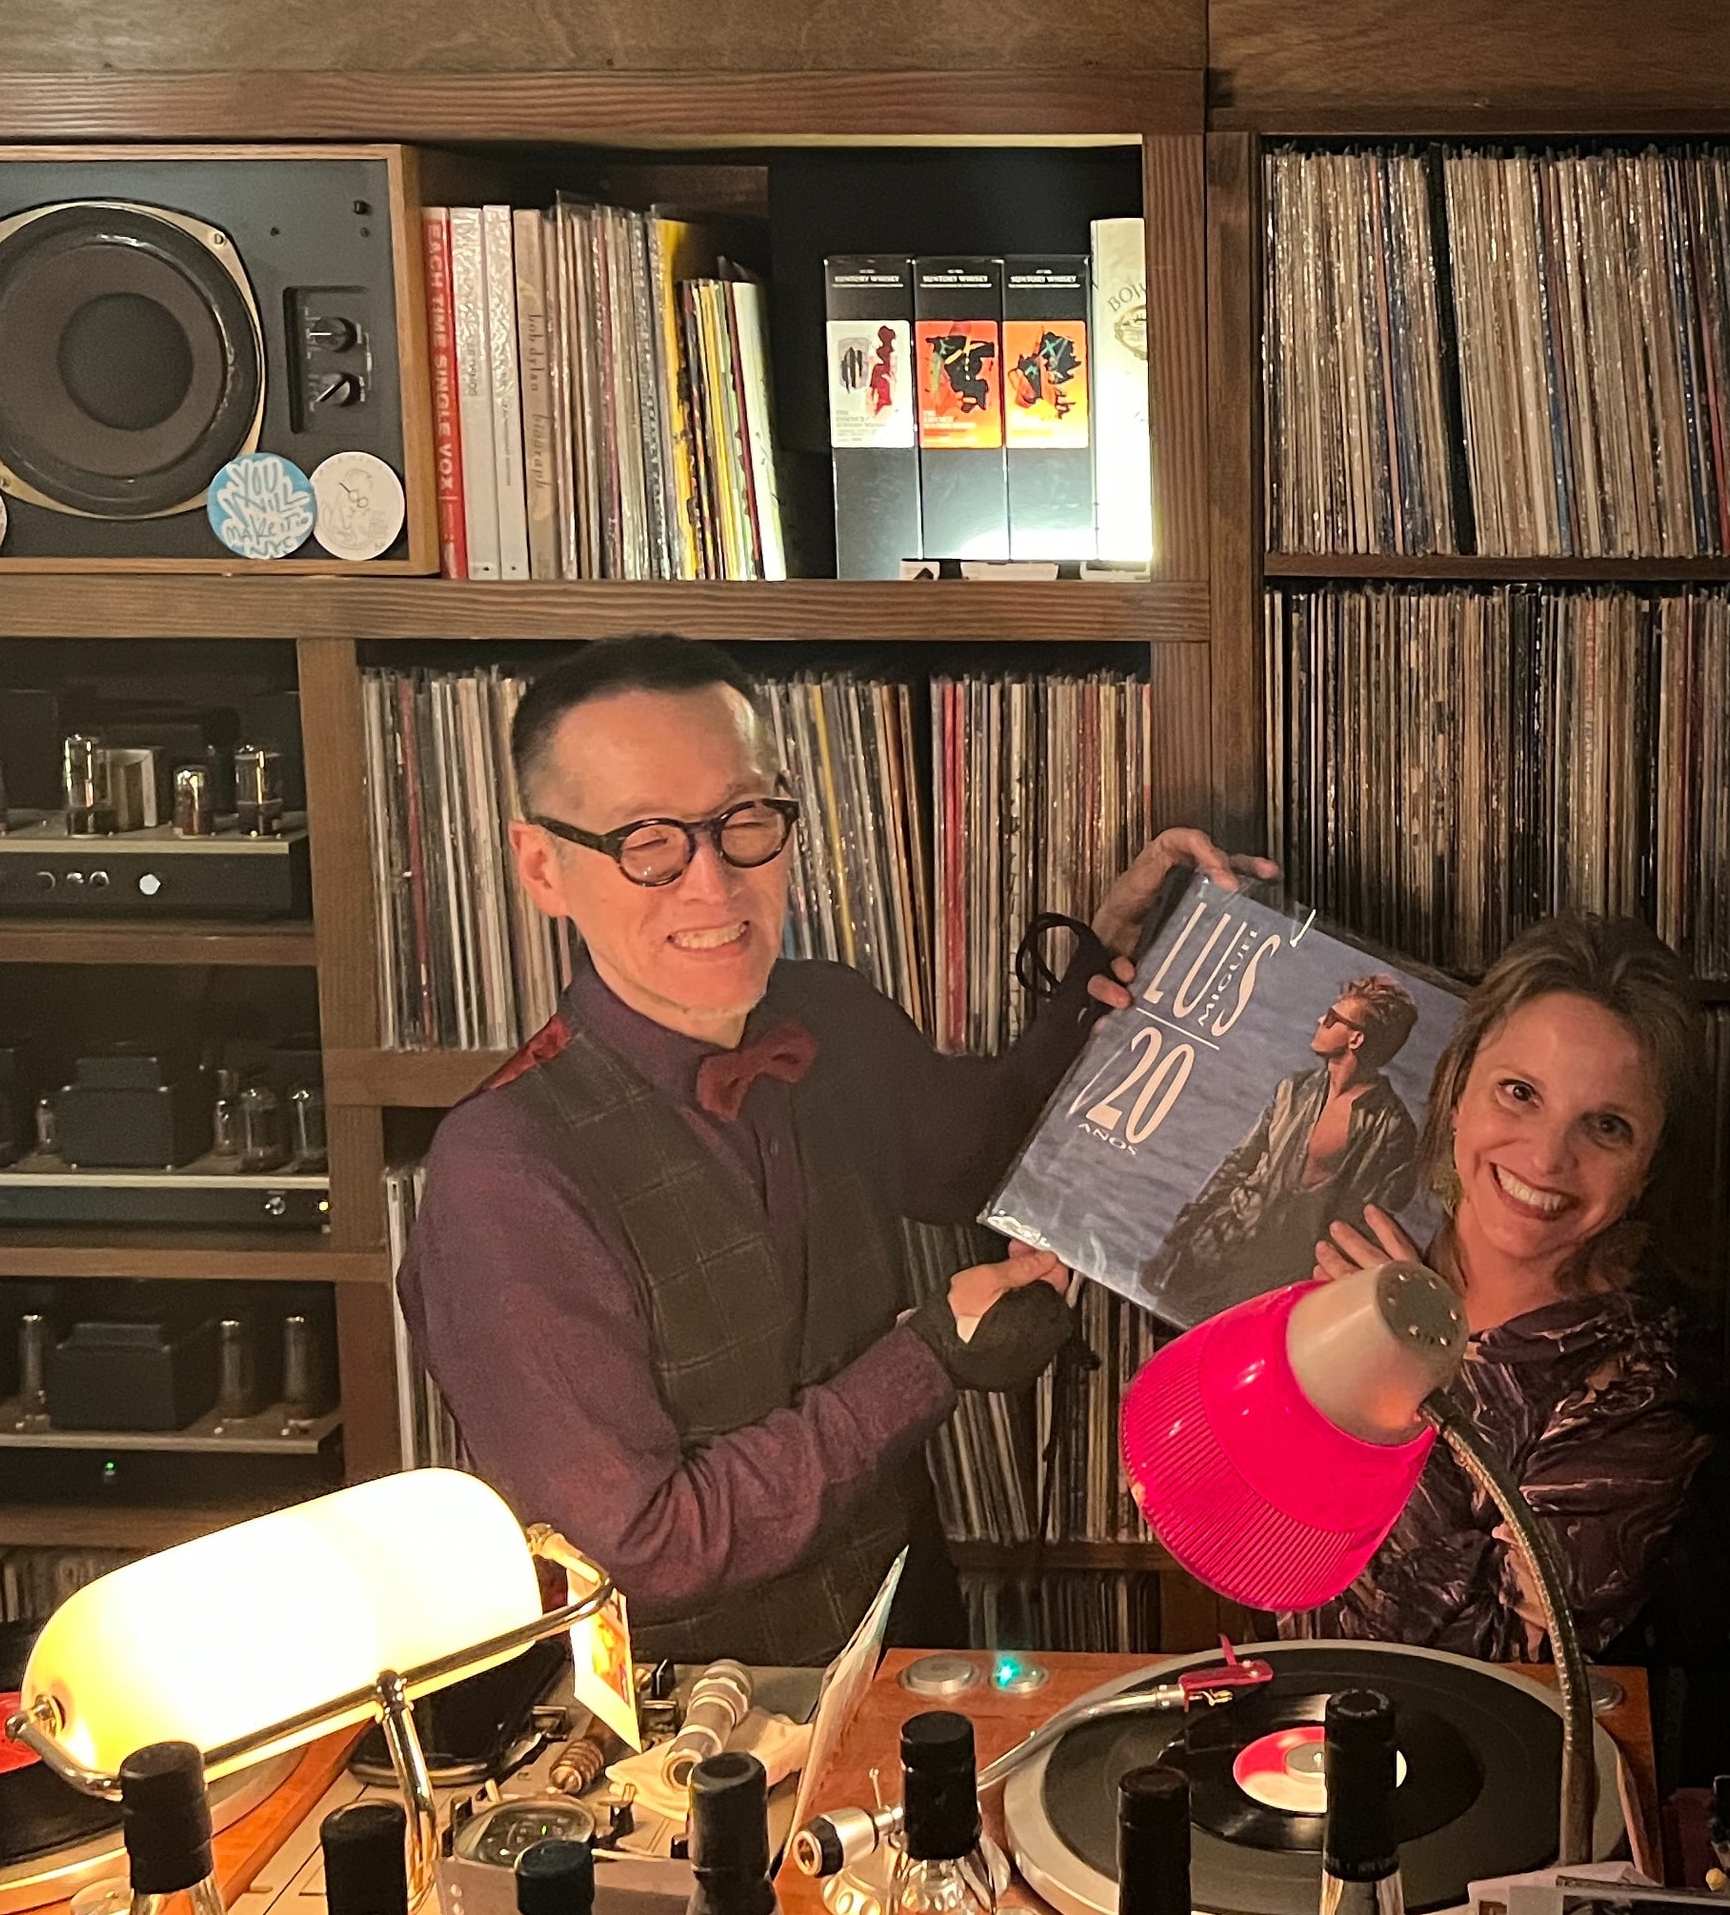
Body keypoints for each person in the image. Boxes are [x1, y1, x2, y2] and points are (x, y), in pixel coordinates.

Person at [394, 635, 1265, 1664]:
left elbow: (973, 1159)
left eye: (743, 821)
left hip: (909, 1644)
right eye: (647, 841)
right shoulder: (502, 1170)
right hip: (688, 1749)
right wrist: (929, 1355)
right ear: (544, 865)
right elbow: (645, 1547)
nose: (713, 884)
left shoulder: (831, 1013)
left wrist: (1105, 966)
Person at [1288, 915, 1711, 1662]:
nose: (1547, 1157)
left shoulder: (1634, 1396)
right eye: (1519, 1092)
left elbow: (1494, 1670)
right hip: (1275, 1732)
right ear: (1456, 1093)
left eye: (1606, 1126)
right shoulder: (1347, 1250)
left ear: (1649, 1166)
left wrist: (1396, 1386)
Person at [1138, 971, 1427, 1325]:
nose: (1321, 1020)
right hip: (1216, 1246)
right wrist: (1175, 1240)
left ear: (1356, 1038)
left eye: (1333, 1018)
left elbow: (1368, 1226)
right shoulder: (1294, 1089)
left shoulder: (1392, 1129)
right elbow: (1238, 1165)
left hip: (1276, 1286)